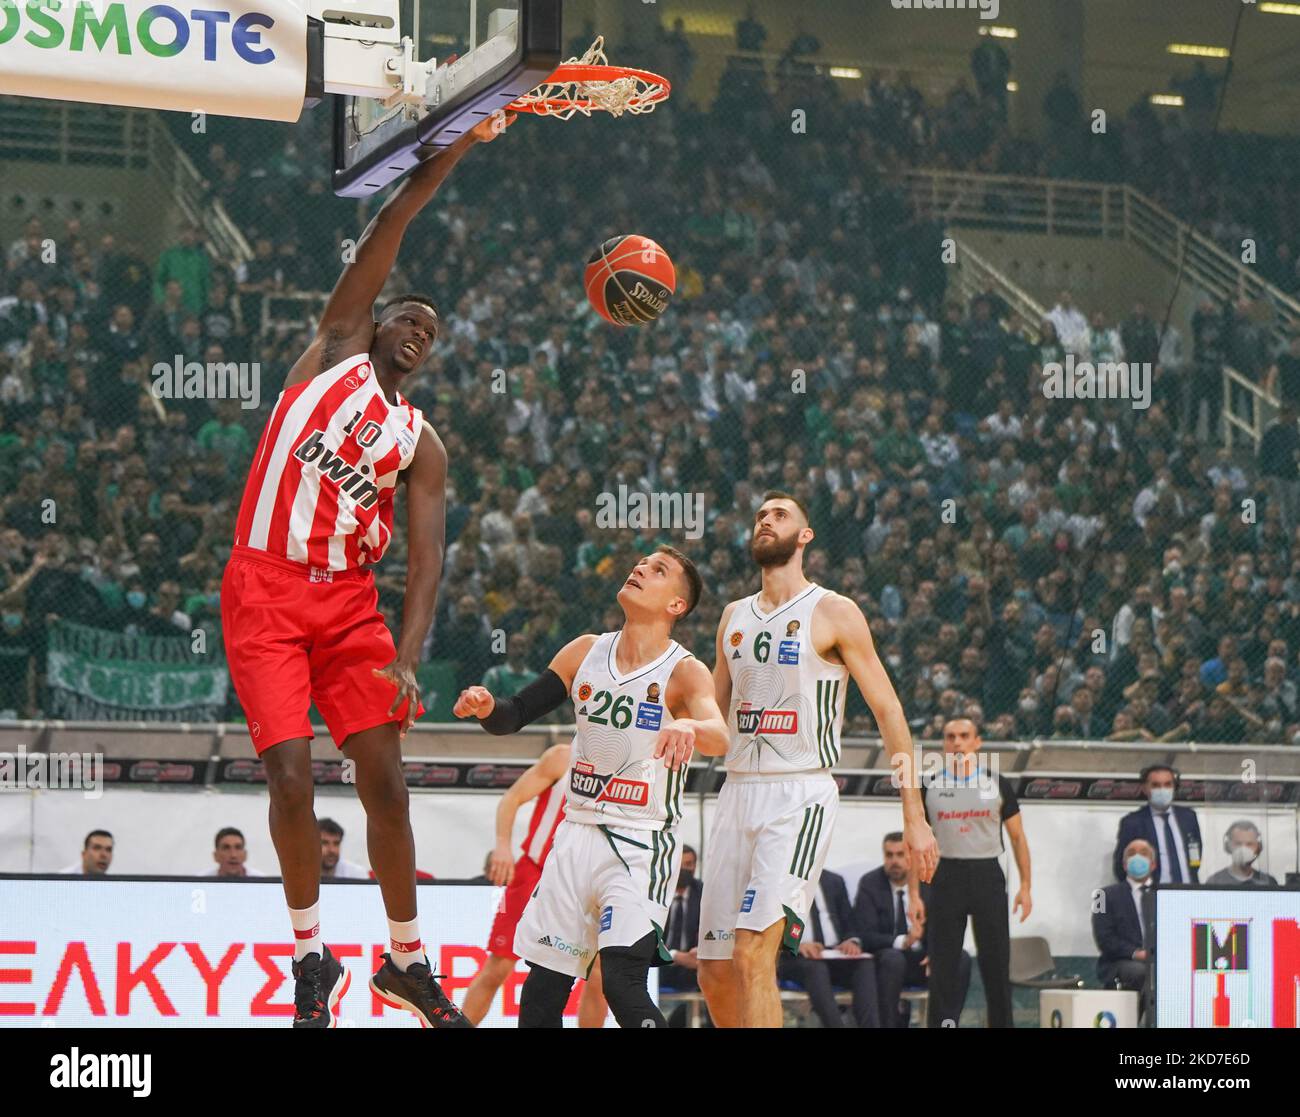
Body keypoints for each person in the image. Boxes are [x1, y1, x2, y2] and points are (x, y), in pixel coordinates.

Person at [219, 114, 512, 1028]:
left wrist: (412, 648)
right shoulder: (337, 348)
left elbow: (427, 559)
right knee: (293, 781)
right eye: (410, 316)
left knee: (386, 780)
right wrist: (458, 146)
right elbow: (393, 222)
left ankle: (406, 961)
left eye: (434, 328)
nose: (421, 329)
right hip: (264, 585)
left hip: (350, 608)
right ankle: (312, 958)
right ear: (377, 320)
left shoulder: (422, 442)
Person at [455, 546, 729, 1028]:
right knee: (541, 993)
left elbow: (720, 736)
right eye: (642, 562)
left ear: (676, 606)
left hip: (641, 840)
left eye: (658, 570)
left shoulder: (683, 671)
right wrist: (485, 707)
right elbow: (514, 714)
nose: (640, 568)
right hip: (575, 835)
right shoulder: (585, 651)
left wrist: (688, 728)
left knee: (621, 986)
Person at [697, 491, 939, 1029]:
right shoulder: (732, 616)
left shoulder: (833, 611)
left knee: (752, 953)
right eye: (760, 515)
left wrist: (914, 815)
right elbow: (712, 718)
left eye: (779, 515)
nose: (765, 521)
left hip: (799, 793)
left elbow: (889, 711)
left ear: (804, 536)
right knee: (713, 972)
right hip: (737, 790)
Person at [459, 743, 607, 1027]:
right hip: (534, 872)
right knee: (498, 965)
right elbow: (512, 798)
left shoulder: (628, 762)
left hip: (587, 882)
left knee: (599, 974)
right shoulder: (562, 756)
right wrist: (502, 845)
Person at [922, 718, 1031, 1029]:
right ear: (944, 744)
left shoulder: (997, 783)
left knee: (996, 963)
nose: (957, 742)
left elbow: (1018, 838)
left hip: (987, 874)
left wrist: (1026, 887)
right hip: (945, 875)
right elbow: (916, 843)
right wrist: (916, 895)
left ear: (977, 742)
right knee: (943, 964)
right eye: (950, 737)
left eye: (964, 736)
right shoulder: (928, 786)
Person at [855, 832, 971, 1028]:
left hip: (923, 961)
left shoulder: (929, 882)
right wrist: (902, 941)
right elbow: (865, 934)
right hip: (887, 963)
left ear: (912, 857)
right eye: (889, 855)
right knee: (893, 960)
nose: (894, 861)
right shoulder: (871, 884)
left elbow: (946, 926)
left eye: (900, 855)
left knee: (961, 958)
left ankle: (947, 1024)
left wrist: (936, 952)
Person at [777, 867, 879, 1028]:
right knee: (816, 968)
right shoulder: (780, 882)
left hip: (833, 954)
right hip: (794, 957)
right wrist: (796, 944)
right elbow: (768, 930)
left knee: (864, 965)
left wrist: (851, 941)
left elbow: (849, 923)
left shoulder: (834, 881)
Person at [1112, 764, 1202, 884]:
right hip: (1152, 895)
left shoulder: (1188, 817)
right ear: (1144, 788)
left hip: (1189, 892)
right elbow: (1121, 866)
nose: (1162, 789)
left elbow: (1195, 854)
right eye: (1155, 785)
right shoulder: (1132, 822)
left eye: (1167, 784)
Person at [1094, 838, 1156, 997]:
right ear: (1124, 865)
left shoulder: (1168, 895)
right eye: (1131, 853)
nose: (1137, 857)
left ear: (1153, 864)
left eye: (1144, 853)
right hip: (1121, 961)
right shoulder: (1101, 896)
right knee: (1143, 972)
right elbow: (1104, 939)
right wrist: (1137, 953)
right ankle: (1137, 1020)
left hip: (1159, 958)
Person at [660, 844, 704, 1027]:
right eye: (681, 864)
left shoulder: (703, 893)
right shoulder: (657, 891)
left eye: (690, 864)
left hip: (692, 965)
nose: (686, 869)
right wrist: (676, 955)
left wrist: (701, 952)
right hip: (658, 963)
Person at [1205, 821, 1278, 887]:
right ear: (1228, 846)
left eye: (1249, 844)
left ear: (1258, 847)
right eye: (1238, 844)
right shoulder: (1215, 882)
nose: (1243, 849)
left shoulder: (1268, 882)